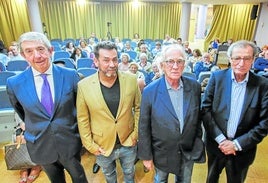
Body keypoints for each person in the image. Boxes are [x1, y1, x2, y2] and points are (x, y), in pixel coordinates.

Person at [6, 32, 88, 183]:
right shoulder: (14, 83)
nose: (37, 56)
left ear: (50, 51)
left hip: (69, 141)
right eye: (29, 51)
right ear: (23, 55)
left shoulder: (70, 75)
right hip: (40, 144)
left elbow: (79, 108)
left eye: (40, 49)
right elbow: (22, 112)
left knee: (80, 177)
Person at [201, 40, 268, 183]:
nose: (241, 63)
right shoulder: (217, 78)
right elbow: (206, 110)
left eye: (247, 58)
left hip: (243, 149)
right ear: (230, 59)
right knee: (211, 179)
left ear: (253, 60)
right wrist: (221, 139)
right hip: (216, 145)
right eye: (237, 58)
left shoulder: (263, 85)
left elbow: (264, 123)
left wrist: (236, 144)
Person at [138, 44, 205, 183]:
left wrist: (197, 141)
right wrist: (146, 156)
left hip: (187, 150)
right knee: (160, 180)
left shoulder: (194, 87)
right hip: (162, 152)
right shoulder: (150, 91)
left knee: (185, 181)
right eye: (170, 61)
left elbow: (198, 119)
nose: (175, 66)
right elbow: (144, 126)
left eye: (179, 61)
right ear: (162, 65)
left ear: (184, 64)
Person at [76, 41, 141, 183]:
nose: (112, 64)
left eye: (114, 59)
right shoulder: (84, 86)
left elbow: (139, 108)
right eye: (106, 60)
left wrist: (135, 134)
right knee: (109, 175)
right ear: (96, 61)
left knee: (129, 172)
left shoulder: (131, 80)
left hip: (128, 141)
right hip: (101, 145)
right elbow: (82, 118)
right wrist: (90, 145)